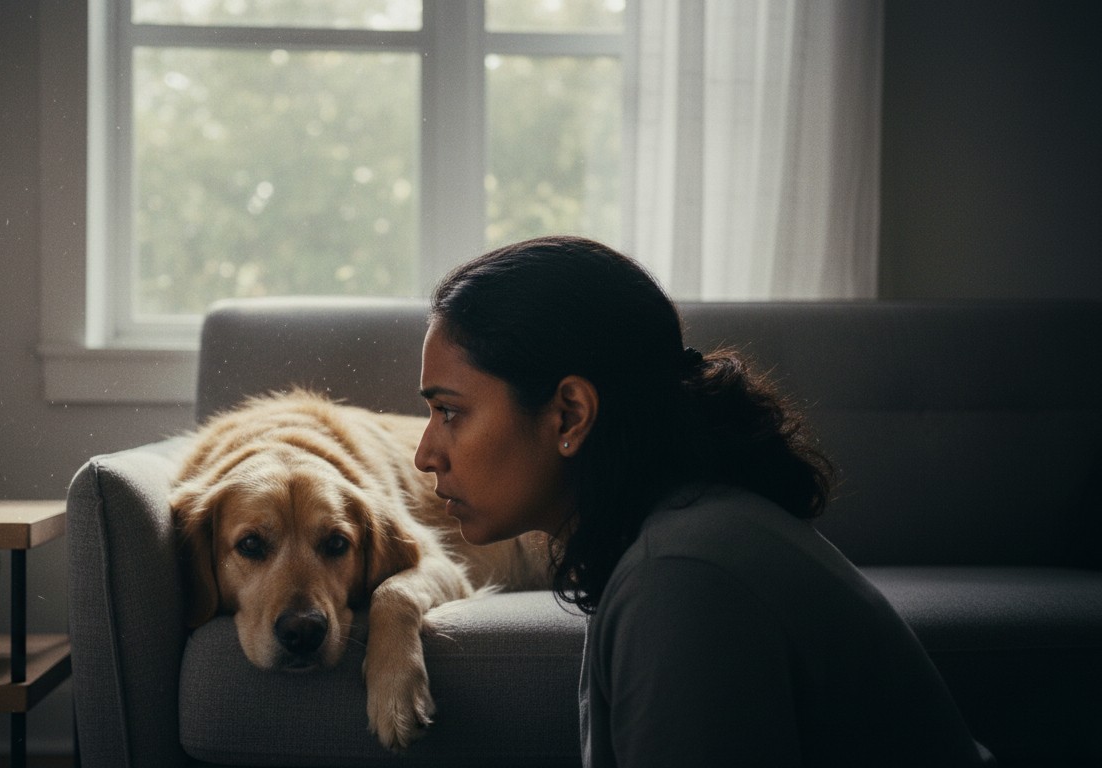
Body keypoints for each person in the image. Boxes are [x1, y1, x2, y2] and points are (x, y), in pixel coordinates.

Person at [413, 235, 993, 767]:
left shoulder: (677, 580)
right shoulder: (681, 536)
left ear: (570, 414)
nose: (425, 453)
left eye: (449, 411)